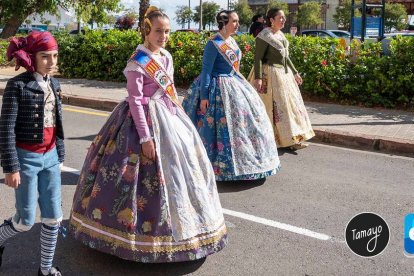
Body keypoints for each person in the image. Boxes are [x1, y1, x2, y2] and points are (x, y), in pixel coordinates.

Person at [69, 6, 227, 263]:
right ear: (146, 31)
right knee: (134, 179)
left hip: (168, 120)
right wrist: (145, 138)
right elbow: (135, 102)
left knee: (181, 169)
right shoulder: (137, 62)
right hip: (139, 123)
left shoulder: (166, 57)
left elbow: (169, 92)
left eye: (166, 31)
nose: (163, 36)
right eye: (158, 31)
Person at [183, 10, 280, 181]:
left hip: (234, 86)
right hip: (216, 90)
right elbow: (206, 72)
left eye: (237, 21)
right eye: (234, 21)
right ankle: (218, 167)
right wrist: (204, 96)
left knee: (245, 124)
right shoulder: (213, 44)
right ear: (223, 23)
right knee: (217, 129)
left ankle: (248, 162)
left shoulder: (232, 41)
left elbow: (234, 68)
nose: (237, 24)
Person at [0, 31, 65, 276]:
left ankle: (46, 269)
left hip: (50, 158)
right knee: (25, 222)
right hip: (25, 159)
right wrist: (11, 167)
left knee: (53, 217)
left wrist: (59, 155)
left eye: (55, 56)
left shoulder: (55, 84)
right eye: (45, 56)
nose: (52, 61)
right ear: (31, 57)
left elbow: (57, 124)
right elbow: (6, 128)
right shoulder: (17, 85)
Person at [248, 8, 315, 150]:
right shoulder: (264, 35)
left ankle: (293, 139)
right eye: (280, 17)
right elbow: (258, 58)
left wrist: (295, 72)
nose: (283, 20)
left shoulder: (280, 35)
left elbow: (286, 57)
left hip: (284, 75)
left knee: (290, 108)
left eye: (284, 17)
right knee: (275, 109)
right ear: (271, 20)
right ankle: (273, 139)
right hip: (269, 75)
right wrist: (258, 78)